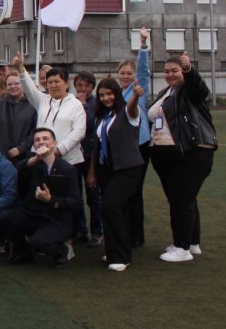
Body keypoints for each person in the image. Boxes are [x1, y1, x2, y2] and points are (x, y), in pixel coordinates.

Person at [148, 52, 217, 263]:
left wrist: (189, 70)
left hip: (191, 152)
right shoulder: (165, 92)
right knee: (184, 199)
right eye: (167, 71)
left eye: (175, 70)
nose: (170, 74)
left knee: (181, 200)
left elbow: (200, 88)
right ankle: (192, 242)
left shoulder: (189, 89)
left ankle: (182, 248)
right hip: (166, 156)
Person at [0, 128, 80, 269]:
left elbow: (75, 202)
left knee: (37, 242)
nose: (41, 142)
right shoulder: (32, 163)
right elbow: (18, 168)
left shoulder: (67, 169)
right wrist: (36, 158)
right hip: (32, 215)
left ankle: (62, 251)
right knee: (6, 216)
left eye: (45, 138)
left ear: (54, 143)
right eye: (37, 140)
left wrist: (51, 200)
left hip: (56, 220)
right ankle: (23, 253)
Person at [86, 79, 144, 271]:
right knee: (113, 210)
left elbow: (133, 108)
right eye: (102, 95)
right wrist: (92, 173)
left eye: (110, 94)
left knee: (112, 206)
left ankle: (121, 256)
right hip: (106, 169)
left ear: (118, 94)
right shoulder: (102, 116)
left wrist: (135, 95)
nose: (106, 98)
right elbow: (96, 146)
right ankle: (116, 251)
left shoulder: (127, 112)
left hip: (127, 169)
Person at [117, 26, 152, 249]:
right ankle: (126, 232)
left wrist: (143, 45)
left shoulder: (139, 88)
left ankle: (137, 236)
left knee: (135, 192)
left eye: (129, 74)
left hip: (139, 145)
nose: (126, 76)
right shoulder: (116, 93)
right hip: (121, 147)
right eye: (123, 73)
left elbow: (143, 69)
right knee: (124, 194)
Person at [73, 70, 103, 247]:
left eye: (87, 86)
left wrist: (83, 105)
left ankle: (97, 231)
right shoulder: (71, 102)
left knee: (93, 196)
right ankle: (80, 229)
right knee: (76, 196)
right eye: (79, 86)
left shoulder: (96, 104)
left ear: (92, 87)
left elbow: (90, 125)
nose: (83, 89)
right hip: (75, 155)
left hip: (91, 156)